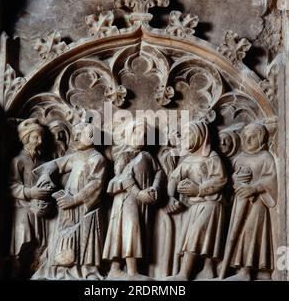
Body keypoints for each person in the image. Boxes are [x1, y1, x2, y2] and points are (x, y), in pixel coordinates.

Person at [32, 122, 107, 280]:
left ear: (92, 137)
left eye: (81, 134)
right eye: (75, 134)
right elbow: (57, 164)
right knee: (65, 237)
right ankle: (61, 270)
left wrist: (74, 199)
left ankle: (86, 271)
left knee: (85, 238)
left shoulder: (97, 159)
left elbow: (95, 184)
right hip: (67, 205)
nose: (76, 137)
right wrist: (46, 173)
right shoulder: (77, 157)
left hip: (84, 206)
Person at [166, 120, 227, 280]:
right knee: (198, 237)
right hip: (194, 207)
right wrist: (171, 197)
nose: (184, 139)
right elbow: (173, 178)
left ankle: (184, 274)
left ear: (200, 136)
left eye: (187, 135)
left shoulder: (212, 157)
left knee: (197, 236)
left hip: (211, 204)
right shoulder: (187, 160)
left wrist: (198, 189)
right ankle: (207, 270)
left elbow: (220, 180)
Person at [103, 120, 163, 280]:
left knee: (135, 230)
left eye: (144, 135)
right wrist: (139, 193)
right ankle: (131, 271)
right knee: (130, 229)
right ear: (129, 134)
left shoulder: (148, 155)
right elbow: (123, 177)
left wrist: (155, 188)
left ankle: (116, 269)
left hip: (143, 201)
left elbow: (158, 172)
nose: (141, 138)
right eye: (137, 133)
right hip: (126, 200)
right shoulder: (124, 155)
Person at [220, 123, 277, 280]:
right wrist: (234, 179)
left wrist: (255, 188)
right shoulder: (240, 158)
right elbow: (228, 179)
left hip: (257, 204)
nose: (247, 140)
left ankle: (249, 271)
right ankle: (242, 270)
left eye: (252, 137)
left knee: (251, 233)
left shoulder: (266, 157)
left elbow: (271, 179)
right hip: (239, 202)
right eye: (245, 137)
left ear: (261, 138)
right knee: (236, 234)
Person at [9, 118, 53, 277]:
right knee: (23, 240)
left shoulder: (43, 161)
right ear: (26, 138)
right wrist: (30, 193)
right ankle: (18, 270)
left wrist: (46, 197)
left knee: (40, 243)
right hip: (23, 208)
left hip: (40, 211)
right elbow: (12, 186)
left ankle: (37, 270)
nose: (40, 141)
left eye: (41, 138)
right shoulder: (18, 161)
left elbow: (49, 183)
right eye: (36, 137)